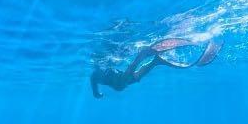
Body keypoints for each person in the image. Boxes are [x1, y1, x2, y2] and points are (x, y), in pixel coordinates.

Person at [90, 37, 222, 98]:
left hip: (121, 78)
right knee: (126, 82)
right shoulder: (96, 76)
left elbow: (96, 90)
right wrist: (97, 93)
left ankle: (146, 57)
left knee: (125, 81)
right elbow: (95, 90)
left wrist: (97, 94)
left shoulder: (98, 74)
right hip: (121, 79)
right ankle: (155, 60)